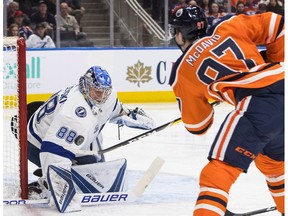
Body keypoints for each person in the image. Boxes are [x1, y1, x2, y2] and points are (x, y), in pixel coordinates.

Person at [168, 6, 284, 215]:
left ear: (181, 34)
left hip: (259, 103)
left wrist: (214, 94)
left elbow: (197, 126)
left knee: (216, 175)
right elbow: (278, 24)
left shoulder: (182, 70)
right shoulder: (229, 26)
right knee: (274, 167)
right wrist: (273, 62)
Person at [25, 66, 155, 212]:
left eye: (105, 92)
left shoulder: (105, 95)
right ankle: (44, 186)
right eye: (98, 92)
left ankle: (68, 174)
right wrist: (65, 195)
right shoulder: (73, 113)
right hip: (35, 143)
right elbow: (54, 152)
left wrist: (131, 115)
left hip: (59, 135)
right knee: (68, 167)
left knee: (93, 165)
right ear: (85, 87)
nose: (102, 96)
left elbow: (113, 110)